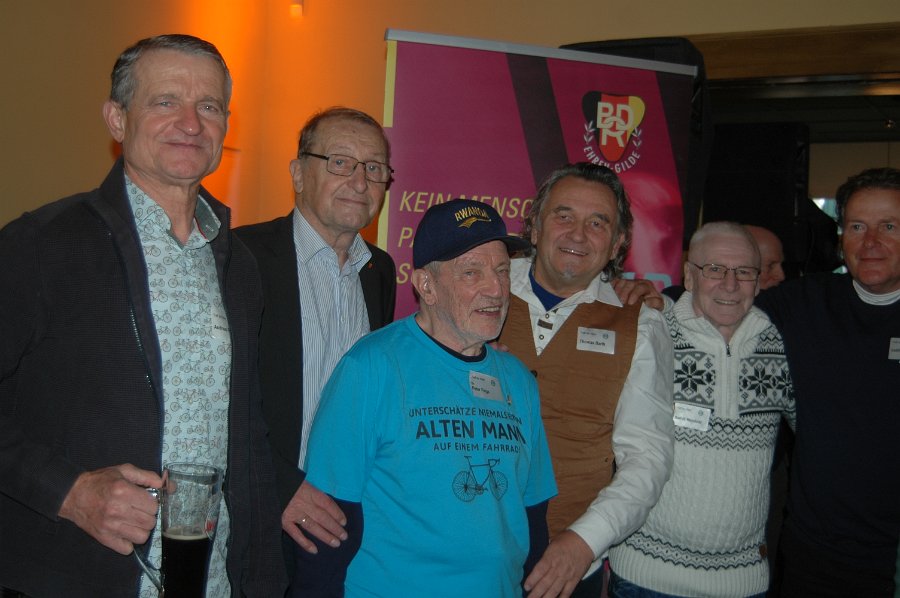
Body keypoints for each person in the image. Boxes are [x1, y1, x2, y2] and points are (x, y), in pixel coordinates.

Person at [0, 34, 285, 596]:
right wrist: (68, 490)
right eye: (165, 101)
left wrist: (262, 581)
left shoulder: (240, 265)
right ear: (116, 118)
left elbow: (248, 435)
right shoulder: (42, 244)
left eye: (209, 106)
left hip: (212, 579)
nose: (191, 123)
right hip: (76, 577)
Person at [300, 199, 557, 596]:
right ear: (426, 285)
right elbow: (326, 522)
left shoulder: (518, 381)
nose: (496, 289)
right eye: (472, 272)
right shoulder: (371, 367)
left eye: (502, 270)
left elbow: (533, 514)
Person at [234, 107, 396, 587]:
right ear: (298, 173)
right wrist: (284, 488)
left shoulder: (380, 271)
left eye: (374, 168)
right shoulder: (242, 257)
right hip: (263, 510)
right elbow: (217, 399)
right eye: (340, 162)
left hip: (347, 514)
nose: (359, 182)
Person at [498, 162, 675, 598]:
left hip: (567, 569)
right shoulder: (480, 289)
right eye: (564, 216)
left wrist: (584, 541)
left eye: (598, 223)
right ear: (534, 226)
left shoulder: (640, 326)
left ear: (617, 244)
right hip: (458, 555)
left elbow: (647, 457)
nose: (578, 235)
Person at [607, 221, 795, 597]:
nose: (730, 284)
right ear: (689, 276)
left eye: (744, 271)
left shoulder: (782, 344)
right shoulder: (650, 332)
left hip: (742, 582)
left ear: (758, 281)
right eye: (715, 269)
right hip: (644, 575)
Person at [756, 167, 900, 598]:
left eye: (889, 226)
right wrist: (653, 299)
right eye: (857, 226)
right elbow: (718, 304)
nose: (870, 242)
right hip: (812, 556)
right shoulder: (806, 303)